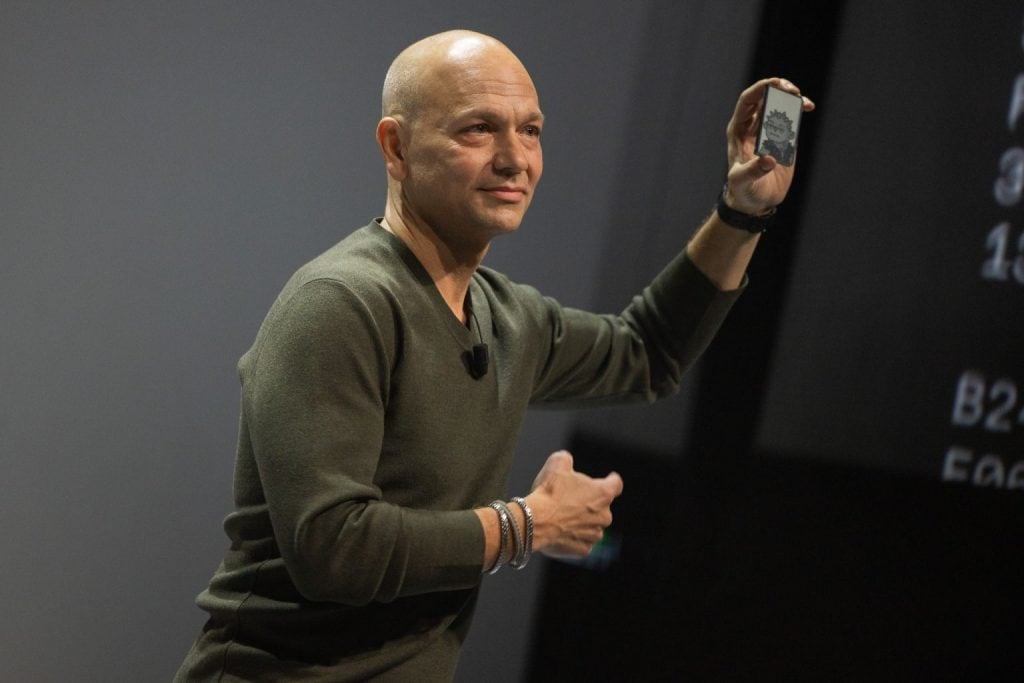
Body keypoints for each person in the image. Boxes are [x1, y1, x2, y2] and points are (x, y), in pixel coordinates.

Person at [174, 29, 813, 682]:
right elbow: (334, 550)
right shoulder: (341, 302)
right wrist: (528, 525)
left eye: (530, 131)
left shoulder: (507, 316)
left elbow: (649, 352)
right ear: (396, 147)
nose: (515, 159)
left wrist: (742, 212)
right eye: (479, 129)